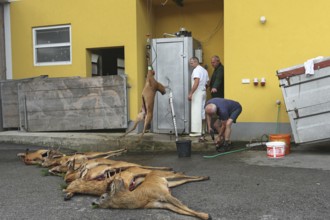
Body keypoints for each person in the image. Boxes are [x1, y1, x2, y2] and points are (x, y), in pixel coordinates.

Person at [188, 57, 209, 139]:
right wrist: (204, 89)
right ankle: (203, 130)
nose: (190, 64)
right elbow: (208, 82)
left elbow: (196, 82)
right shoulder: (204, 70)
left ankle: (197, 131)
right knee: (202, 111)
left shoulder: (196, 70)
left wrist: (191, 93)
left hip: (197, 92)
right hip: (203, 91)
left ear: (196, 62)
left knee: (196, 111)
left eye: (191, 63)